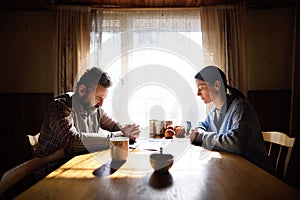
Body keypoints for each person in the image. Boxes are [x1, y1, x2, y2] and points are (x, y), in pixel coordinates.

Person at [35, 67, 140, 178]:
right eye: (98, 97)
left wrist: (125, 129)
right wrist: (116, 137)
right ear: (82, 90)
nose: (101, 104)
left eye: (104, 98)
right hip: (51, 171)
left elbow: (113, 125)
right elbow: (72, 142)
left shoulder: (95, 107)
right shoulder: (61, 107)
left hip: (76, 164)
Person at [190, 65, 274, 174]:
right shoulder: (215, 110)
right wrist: (199, 132)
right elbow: (202, 125)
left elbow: (237, 143)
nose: (198, 93)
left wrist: (201, 136)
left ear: (216, 85)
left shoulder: (240, 107)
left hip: (258, 173)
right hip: (237, 169)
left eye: (201, 88)